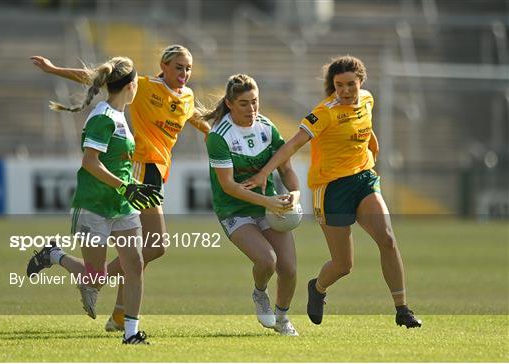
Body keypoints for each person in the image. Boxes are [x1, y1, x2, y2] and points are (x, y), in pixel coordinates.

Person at [28, 45, 211, 332]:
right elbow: (99, 77)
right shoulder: (143, 87)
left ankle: (116, 312)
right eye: (178, 67)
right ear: (163, 65)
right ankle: (116, 310)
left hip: (158, 171)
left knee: (145, 252)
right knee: (153, 247)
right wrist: (54, 70)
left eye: (188, 68)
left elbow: (195, 119)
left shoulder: (187, 96)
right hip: (138, 168)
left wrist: (219, 138)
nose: (184, 73)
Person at [242, 56, 422, 329]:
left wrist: (372, 142)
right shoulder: (324, 112)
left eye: (351, 84)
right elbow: (292, 145)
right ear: (333, 85)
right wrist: (266, 172)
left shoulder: (367, 99)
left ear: (361, 81)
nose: (346, 90)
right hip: (331, 188)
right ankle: (318, 288)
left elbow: (364, 125)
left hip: (364, 178)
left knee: (387, 238)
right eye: (340, 85)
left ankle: (402, 309)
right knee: (343, 264)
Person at [42, 56, 162, 344]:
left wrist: (134, 188)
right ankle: (53, 255)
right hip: (94, 205)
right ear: (132, 86)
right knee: (95, 279)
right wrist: (126, 187)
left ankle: (131, 333)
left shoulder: (120, 116)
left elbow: (118, 163)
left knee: (134, 265)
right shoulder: (103, 117)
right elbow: (90, 163)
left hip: (122, 205)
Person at [204, 74, 301, 336]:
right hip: (233, 210)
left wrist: (295, 193)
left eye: (255, 102)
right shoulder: (218, 136)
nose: (252, 109)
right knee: (267, 261)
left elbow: (287, 168)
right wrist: (268, 200)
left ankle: (282, 319)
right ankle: (260, 294)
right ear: (230, 103)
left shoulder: (267, 128)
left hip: (267, 206)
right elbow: (229, 187)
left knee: (289, 269)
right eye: (244, 103)